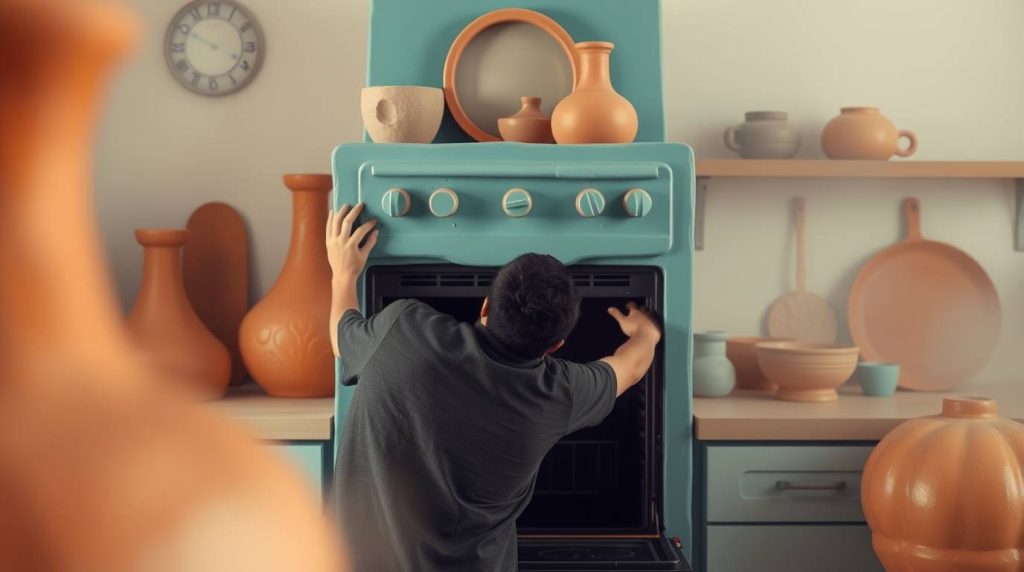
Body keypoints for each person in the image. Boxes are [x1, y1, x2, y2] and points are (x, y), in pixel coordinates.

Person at [326, 203, 662, 572]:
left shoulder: (403, 328)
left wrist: (343, 275)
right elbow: (631, 368)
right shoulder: (560, 393)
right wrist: (646, 332)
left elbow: (341, 339)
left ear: (485, 306)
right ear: (556, 346)